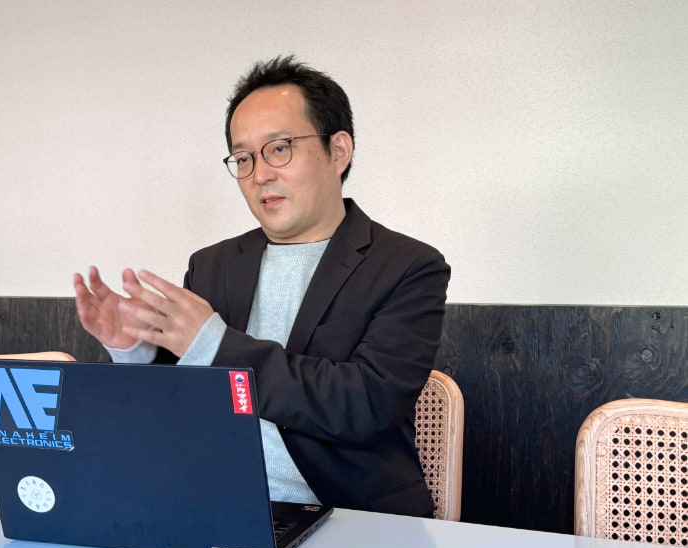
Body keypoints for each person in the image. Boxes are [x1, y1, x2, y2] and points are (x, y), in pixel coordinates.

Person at [73, 55, 450, 517]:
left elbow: (366, 405)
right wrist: (135, 349)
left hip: (349, 518)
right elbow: (173, 407)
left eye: (279, 148)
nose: (259, 174)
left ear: (338, 151)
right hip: (214, 507)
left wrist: (217, 346)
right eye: (244, 158)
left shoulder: (408, 266)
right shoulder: (212, 265)